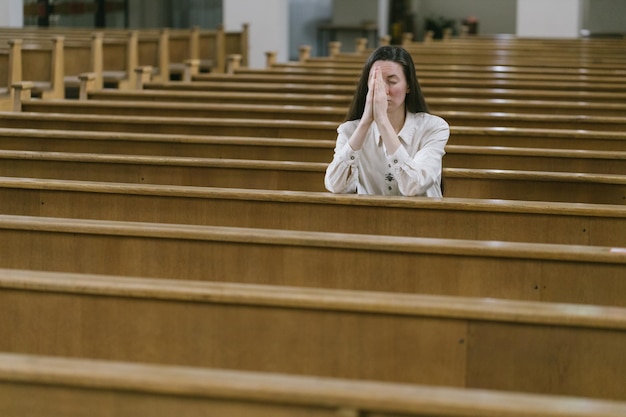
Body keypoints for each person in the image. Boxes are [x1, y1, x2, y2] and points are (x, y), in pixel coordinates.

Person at [324, 45, 449, 197]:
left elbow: (413, 186)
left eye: (392, 81)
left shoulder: (434, 127)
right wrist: (365, 122)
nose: (383, 90)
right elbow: (335, 186)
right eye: (375, 81)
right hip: (372, 219)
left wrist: (382, 120)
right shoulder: (349, 131)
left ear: (408, 85)